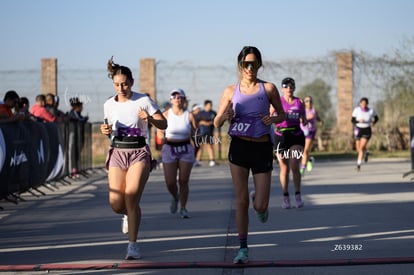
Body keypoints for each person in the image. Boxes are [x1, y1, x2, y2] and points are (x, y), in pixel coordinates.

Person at [214, 46, 286, 264]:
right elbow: (216, 122)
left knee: (260, 206)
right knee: (241, 200)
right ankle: (243, 248)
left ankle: (260, 204)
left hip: (262, 148)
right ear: (240, 66)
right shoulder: (230, 91)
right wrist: (226, 116)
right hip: (239, 147)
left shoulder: (269, 89)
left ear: (259, 65)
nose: (250, 68)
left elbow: (282, 115)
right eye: (246, 64)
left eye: (254, 64)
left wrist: (273, 120)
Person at [100, 57, 167, 260]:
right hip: (117, 152)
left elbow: (163, 124)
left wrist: (150, 119)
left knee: (131, 194)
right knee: (115, 203)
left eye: (125, 84)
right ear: (113, 83)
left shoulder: (143, 100)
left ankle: (133, 246)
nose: (121, 88)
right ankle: (128, 214)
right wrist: (105, 130)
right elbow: (108, 128)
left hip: (139, 152)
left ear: (132, 82)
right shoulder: (108, 105)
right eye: (117, 84)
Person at [158, 88, 197, 218]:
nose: (177, 99)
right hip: (169, 148)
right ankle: (175, 197)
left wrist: (196, 142)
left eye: (179, 97)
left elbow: (195, 132)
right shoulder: (166, 114)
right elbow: (159, 130)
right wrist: (161, 138)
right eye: (174, 97)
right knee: (170, 182)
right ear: (171, 100)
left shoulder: (189, 115)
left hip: (185, 148)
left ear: (183, 99)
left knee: (183, 180)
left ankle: (183, 207)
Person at [272, 77, 307, 210]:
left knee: (294, 164)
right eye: (286, 86)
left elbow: (303, 119)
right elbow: (269, 117)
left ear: (294, 88)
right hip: (281, 137)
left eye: (291, 86)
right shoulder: (276, 102)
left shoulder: (299, 102)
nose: (289, 89)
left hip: (296, 136)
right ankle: (285, 197)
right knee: (284, 169)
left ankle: (298, 195)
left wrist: (304, 121)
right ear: (282, 88)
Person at [351, 97, 379, 171]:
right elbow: (352, 120)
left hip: (366, 130)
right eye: (362, 103)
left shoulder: (371, 111)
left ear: (367, 104)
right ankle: (366, 152)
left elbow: (376, 118)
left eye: (365, 103)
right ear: (360, 103)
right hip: (358, 129)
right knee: (358, 149)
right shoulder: (356, 110)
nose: (363, 105)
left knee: (361, 147)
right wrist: (358, 121)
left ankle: (358, 165)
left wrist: (373, 122)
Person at [300, 96, 323, 176]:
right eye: (306, 101)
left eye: (310, 101)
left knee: (305, 150)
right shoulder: (302, 111)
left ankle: (302, 168)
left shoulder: (313, 111)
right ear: (304, 102)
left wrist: (320, 120)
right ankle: (309, 160)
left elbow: (312, 117)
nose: (308, 102)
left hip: (310, 132)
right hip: (301, 132)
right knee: (301, 151)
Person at [195, 100, 217, 167]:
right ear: (205, 106)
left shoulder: (213, 113)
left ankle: (212, 160)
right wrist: (202, 123)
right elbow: (196, 122)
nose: (210, 106)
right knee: (200, 146)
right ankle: (198, 160)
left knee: (209, 146)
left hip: (209, 132)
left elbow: (216, 121)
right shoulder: (200, 113)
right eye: (209, 105)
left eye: (211, 105)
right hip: (201, 133)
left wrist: (210, 123)